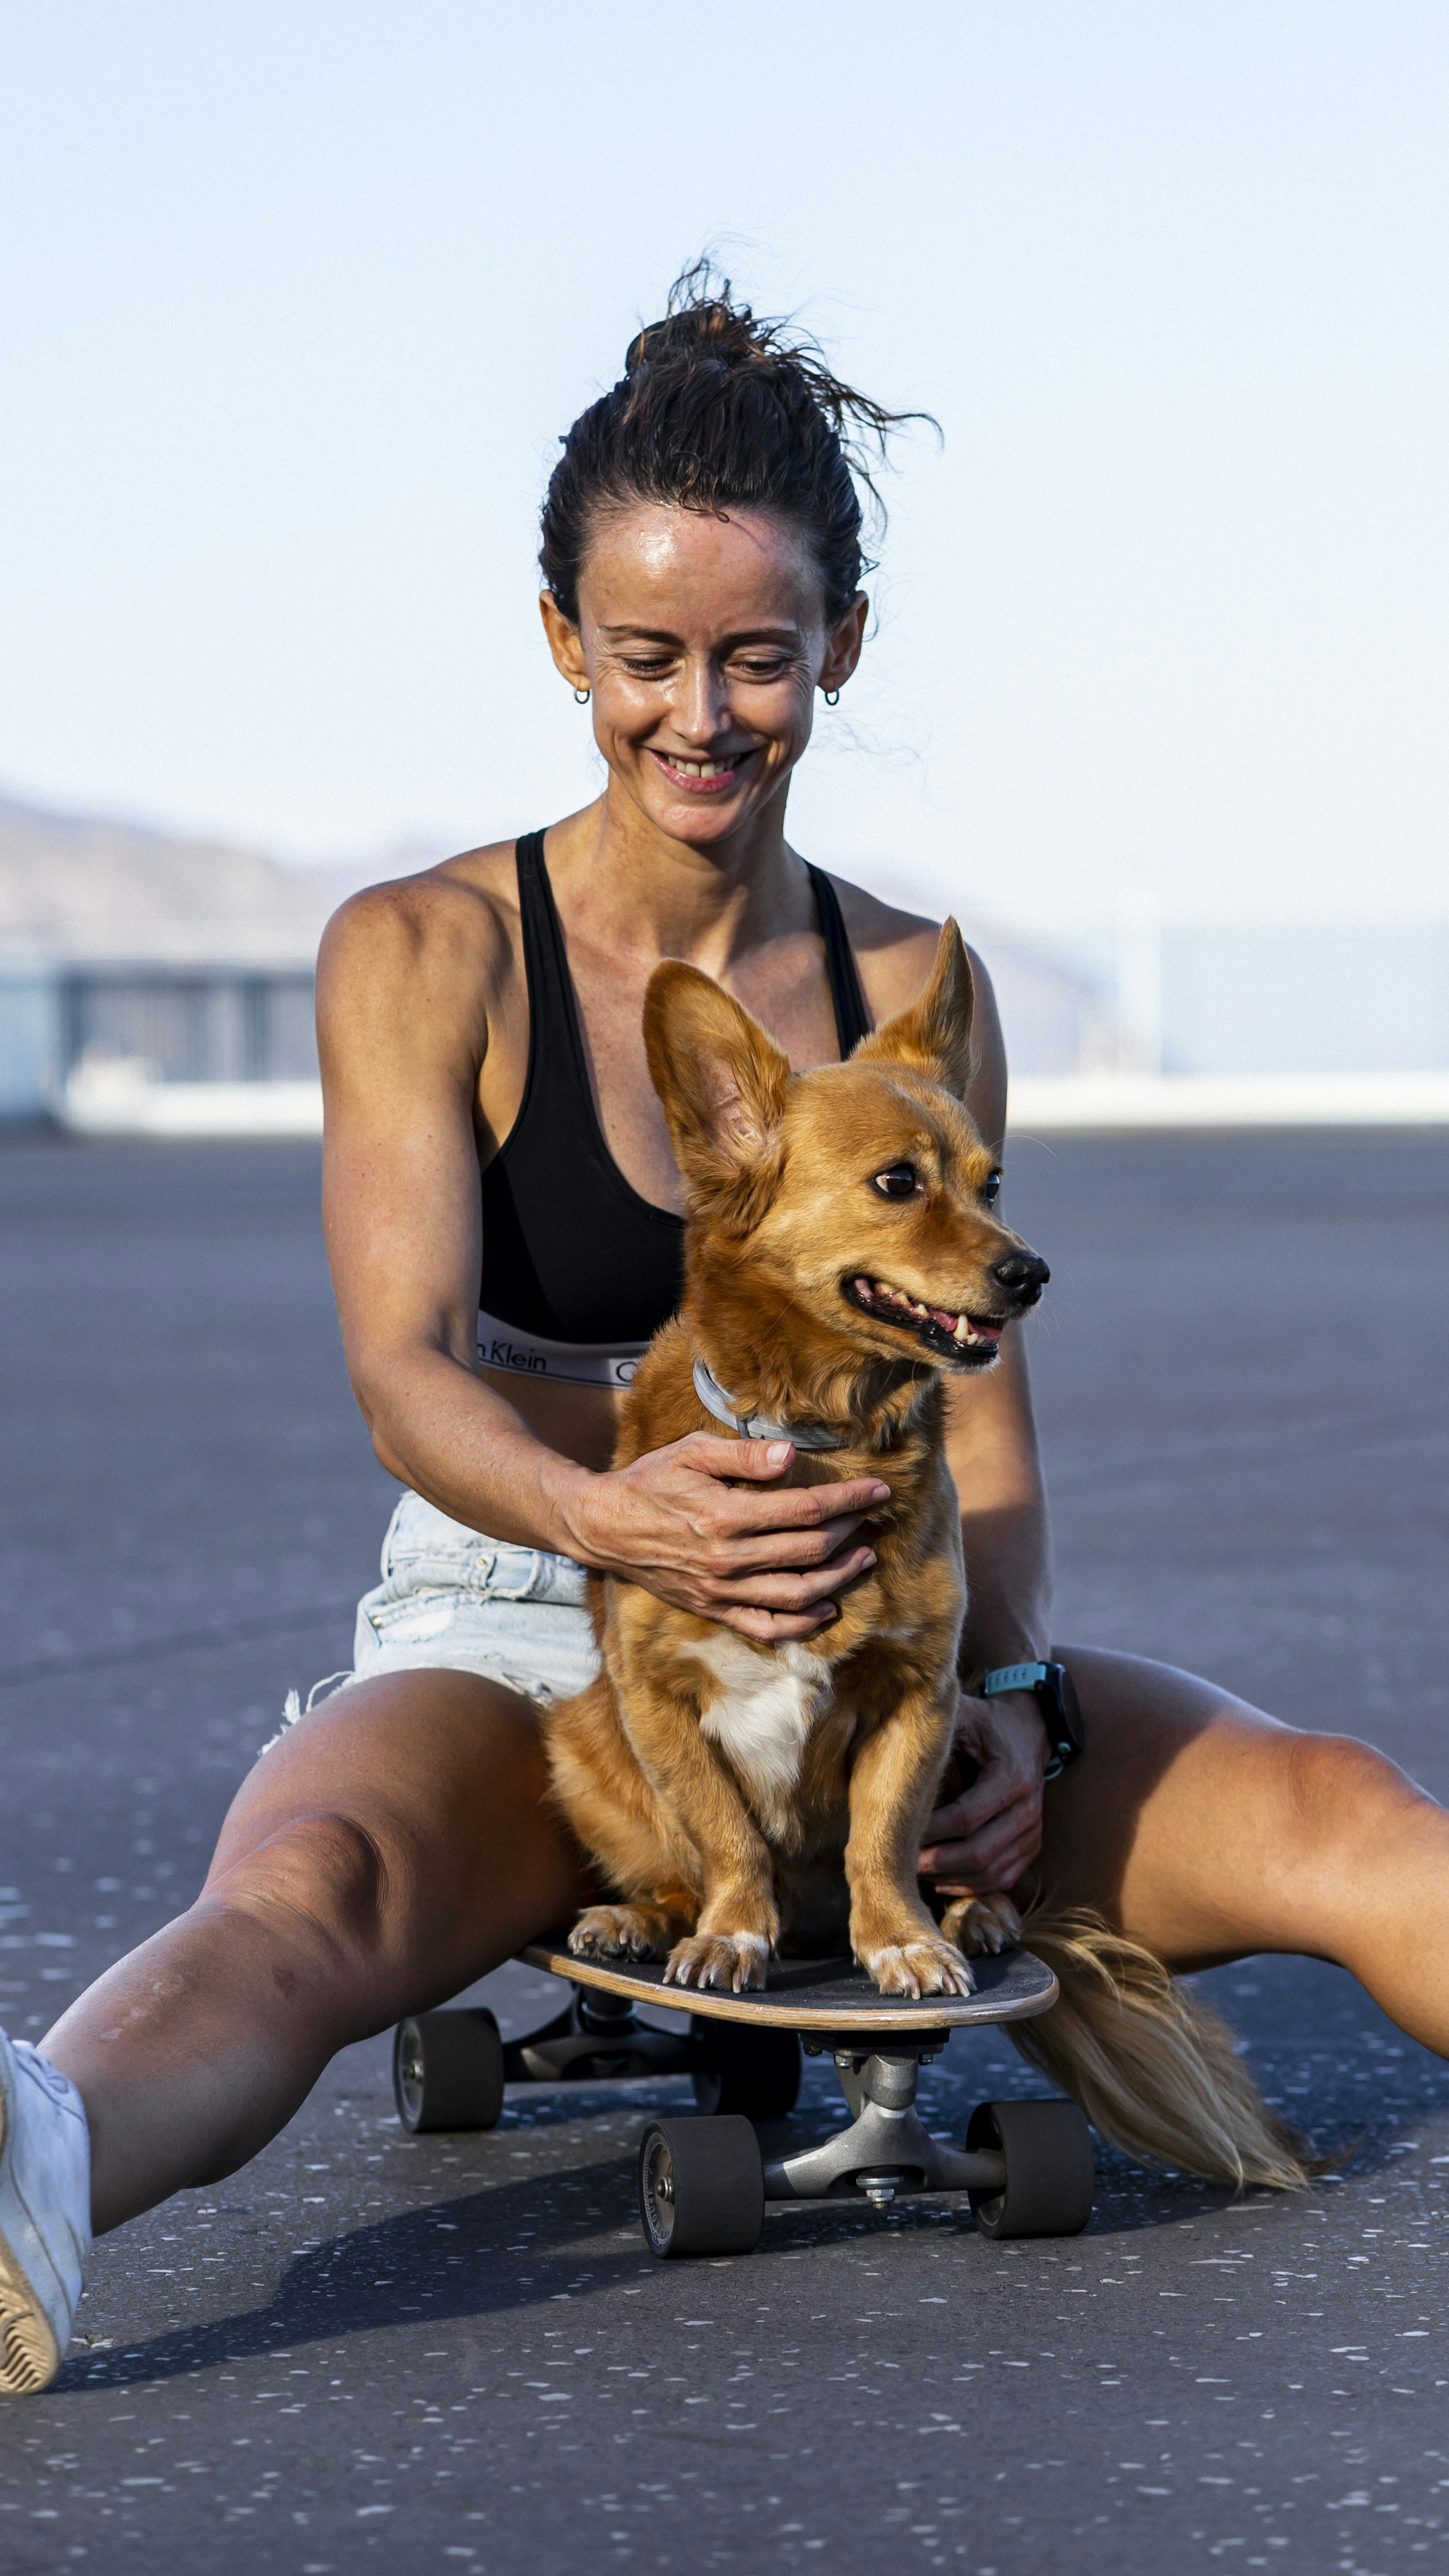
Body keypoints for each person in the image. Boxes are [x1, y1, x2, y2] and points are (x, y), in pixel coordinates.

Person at [3, 270, 1446, 2398]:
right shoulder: (422, 950)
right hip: (543, 1610)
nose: (701, 712)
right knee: (305, 1889)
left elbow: (992, 1453)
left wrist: (1011, 1703)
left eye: (756, 658)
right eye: (647, 656)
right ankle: (24, 2182)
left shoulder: (905, 1003)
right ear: (564, 645)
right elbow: (403, 1367)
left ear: (835, 652)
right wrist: (632, 1525)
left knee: (1338, 1805)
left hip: (891, 1605)